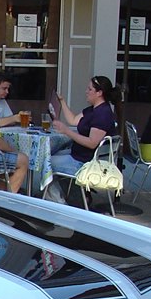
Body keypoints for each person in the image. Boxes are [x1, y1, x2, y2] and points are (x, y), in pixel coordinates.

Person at [46, 75, 121, 204]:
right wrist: (62, 102)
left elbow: (92, 143)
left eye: (90, 89)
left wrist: (66, 131)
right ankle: (75, 196)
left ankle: (58, 203)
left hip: (86, 163)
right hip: (81, 156)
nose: (86, 91)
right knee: (51, 154)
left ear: (99, 93)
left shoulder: (102, 114)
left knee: (44, 162)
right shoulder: (93, 110)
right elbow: (73, 120)